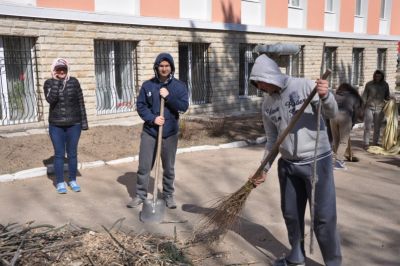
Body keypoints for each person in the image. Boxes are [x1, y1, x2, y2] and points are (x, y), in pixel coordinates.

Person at [249, 54, 342, 266]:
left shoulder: (305, 87)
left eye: (261, 80)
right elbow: (272, 139)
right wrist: (264, 168)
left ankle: (333, 263)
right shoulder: (267, 104)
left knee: (323, 219)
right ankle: (296, 257)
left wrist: (326, 96)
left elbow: (332, 113)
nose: (259, 86)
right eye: (256, 82)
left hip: (317, 162)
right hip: (288, 165)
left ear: (271, 75)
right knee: (291, 214)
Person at [127, 53, 189, 209]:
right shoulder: (148, 85)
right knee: (144, 166)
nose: (164, 68)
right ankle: (140, 195)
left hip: (169, 133)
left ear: (171, 68)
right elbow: (141, 106)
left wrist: (169, 98)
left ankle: (168, 194)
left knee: (168, 167)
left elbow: (183, 107)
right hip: (150, 132)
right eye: (161, 65)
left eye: (167, 66)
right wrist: (152, 118)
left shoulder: (179, 86)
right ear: (157, 67)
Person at [44, 58, 88, 194]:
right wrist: (57, 82)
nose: (61, 71)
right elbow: (50, 100)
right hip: (56, 125)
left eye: (63, 69)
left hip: (74, 124)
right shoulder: (49, 83)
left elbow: (81, 102)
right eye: (58, 69)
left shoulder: (74, 82)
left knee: (72, 154)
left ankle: (73, 180)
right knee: (59, 154)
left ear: (67, 69)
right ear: (54, 70)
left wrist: (84, 123)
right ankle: (60, 182)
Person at [330, 83, 363, 170]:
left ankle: (339, 159)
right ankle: (338, 162)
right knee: (343, 141)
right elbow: (356, 112)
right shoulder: (354, 97)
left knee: (336, 139)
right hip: (345, 117)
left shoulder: (334, 95)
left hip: (333, 118)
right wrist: (353, 123)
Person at [362, 70, 390, 148]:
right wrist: (361, 107)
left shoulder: (385, 85)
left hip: (380, 109)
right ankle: (366, 143)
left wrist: (391, 100)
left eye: (379, 76)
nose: (378, 78)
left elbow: (387, 96)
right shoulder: (369, 84)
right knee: (367, 126)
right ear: (374, 76)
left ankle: (375, 142)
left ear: (382, 77)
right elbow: (364, 96)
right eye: (376, 76)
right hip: (369, 108)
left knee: (377, 127)